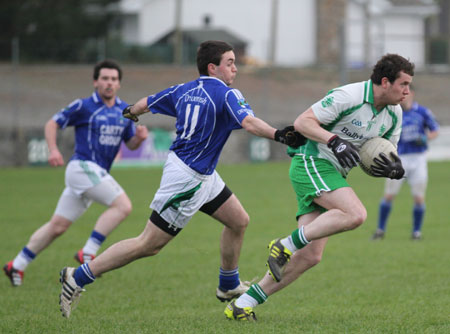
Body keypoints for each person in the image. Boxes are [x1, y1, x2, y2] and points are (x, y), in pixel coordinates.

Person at [57, 40, 305, 318]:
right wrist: (279, 134)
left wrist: (130, 114)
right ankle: (77, 276)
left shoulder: (182, 90)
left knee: (238, 221)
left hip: (200, 173)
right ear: (213, 67)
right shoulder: (228, 95)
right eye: (230, 62)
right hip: (188, 180)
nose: (235, 68)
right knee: (149, 244)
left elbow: (144, 104)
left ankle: (228, 285)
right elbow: (249, 122)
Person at [225, 53, 414, 321]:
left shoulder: (394, 115)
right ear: (385, 82)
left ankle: (242, 305)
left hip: (333, 174)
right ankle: (285, 243)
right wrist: (334, 140)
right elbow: (303, 122)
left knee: (310, 256)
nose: (408, 91)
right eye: (403, 84)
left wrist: (395, 168)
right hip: (311, 161)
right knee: (356, 214)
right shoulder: (349, 96)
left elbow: (384, 152)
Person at [3, 59, 148, 287]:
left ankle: (17, 265)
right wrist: (53, 150)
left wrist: (138, 139)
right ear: (95, 81)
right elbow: (52, 124)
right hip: (82, 167)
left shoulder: (124, 111)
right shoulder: (83, 106)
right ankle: (88, 252)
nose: (109, 83)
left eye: (113, 79)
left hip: (94, 174)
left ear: (119, 84)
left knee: (58, 226)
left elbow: (129, 145)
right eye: (105, 78)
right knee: (123, 206)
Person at [372, 85, 439, 241]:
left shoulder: (422, 112)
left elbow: (435, 130)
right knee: (389, 196)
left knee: (419, 198)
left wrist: (425, 138)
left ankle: (416, 232)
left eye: (406, 93)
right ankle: (380, 231)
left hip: (418, 158)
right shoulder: (393, 113)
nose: (403, 96)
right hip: (398, 159)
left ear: (412, 93)